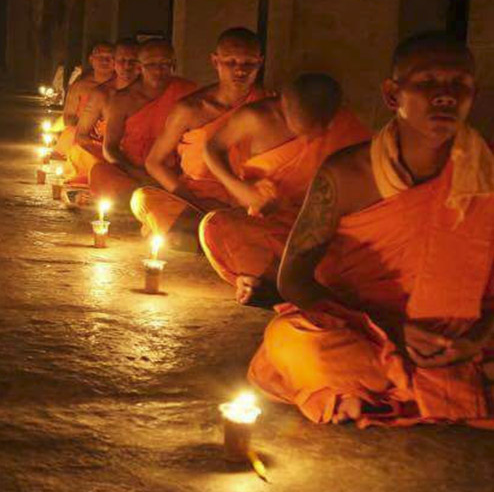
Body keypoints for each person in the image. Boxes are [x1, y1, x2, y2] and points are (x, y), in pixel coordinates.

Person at [249, 32, 494, 427]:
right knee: (290, 339)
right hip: (368, 335)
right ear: (392, 95)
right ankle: (448, 392)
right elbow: (293, 278)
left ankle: (404, 389)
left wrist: (475, 339)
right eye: (427, 82)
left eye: (459, 84)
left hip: (463, 340)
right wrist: (391, 330)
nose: (445, 95)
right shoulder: (346, 174)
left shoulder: (487, 174)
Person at [198, 73, 370, 304]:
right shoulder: (256, 118)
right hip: (276, 223)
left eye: (321, 128)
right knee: (215, 227)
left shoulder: (347, 126)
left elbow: (363, 180)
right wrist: (240, 188)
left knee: (357, 260)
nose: (312, 137)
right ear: (284, 105)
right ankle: (291, 284)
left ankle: (274, 283)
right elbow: (212, 147)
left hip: (321, 228)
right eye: (304, 128)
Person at [129, 27, 268, 246]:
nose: (240, 70)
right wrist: (192, 200)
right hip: (197, 200)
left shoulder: (268, 104)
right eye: (230, 62)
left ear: (260, 63)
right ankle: (217, 238)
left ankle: (201, 237)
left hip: (247, 204)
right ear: (215, 61)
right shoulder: (190, 109)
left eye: (248, 63)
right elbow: (154, 162)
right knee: (143, 200)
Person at [87, 39, 198, 204]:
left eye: (165, 64)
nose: (159, 70)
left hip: (174, 174)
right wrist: (139, 174)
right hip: (133, 173)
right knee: (100, 173)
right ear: (140, 67)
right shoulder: (123, 99)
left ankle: (159, 201)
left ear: (174, 64)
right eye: (151, 64)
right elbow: (110, 148)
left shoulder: (188, 91)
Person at [65, 39, 142, 184]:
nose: (127, 66)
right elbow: (81, 135)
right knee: (95, 166)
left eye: (134, 61)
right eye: (122, 60)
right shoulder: (102, 94)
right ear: (114, 63)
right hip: (106, 156)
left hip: (140, 157)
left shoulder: (150, 93)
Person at [54, 41, 117, 161]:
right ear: (91, 59)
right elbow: (69, 117)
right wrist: (86, 128)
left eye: (110, 57)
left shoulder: (122, 85)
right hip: (83, 134)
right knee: (71, 136)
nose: (105, 61)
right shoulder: (80, 86)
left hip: (111, 136)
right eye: (100, 57)